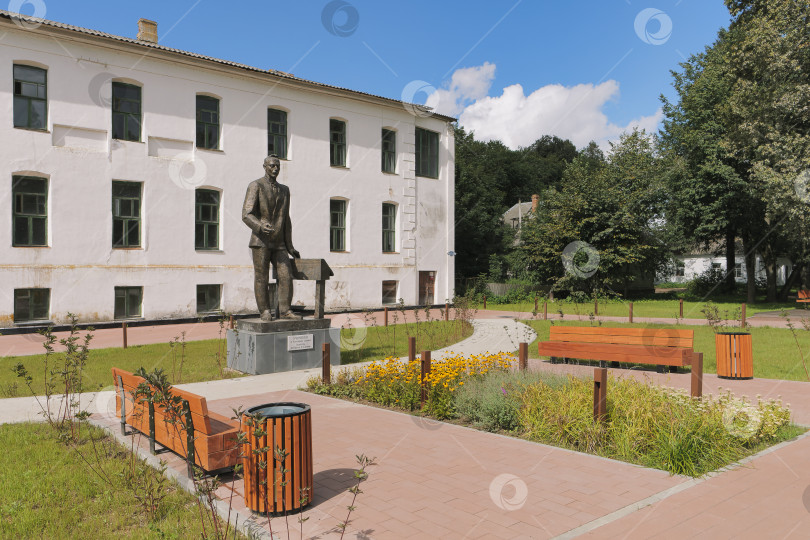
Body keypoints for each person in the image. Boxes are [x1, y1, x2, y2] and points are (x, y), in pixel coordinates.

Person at [242, 155, 301, 321]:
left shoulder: (285, 190)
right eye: (272, 166)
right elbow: (246, 214)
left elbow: (285, 219)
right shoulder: (256, 185)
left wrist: (290, 246)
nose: (275, 169)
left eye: (278, 166)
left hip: (279, 242)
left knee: (286, 275)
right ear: (264, 166)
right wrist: (260, 226)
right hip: (260, 241)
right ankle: (265, 311)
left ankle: (285, 310)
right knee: (262, 277)